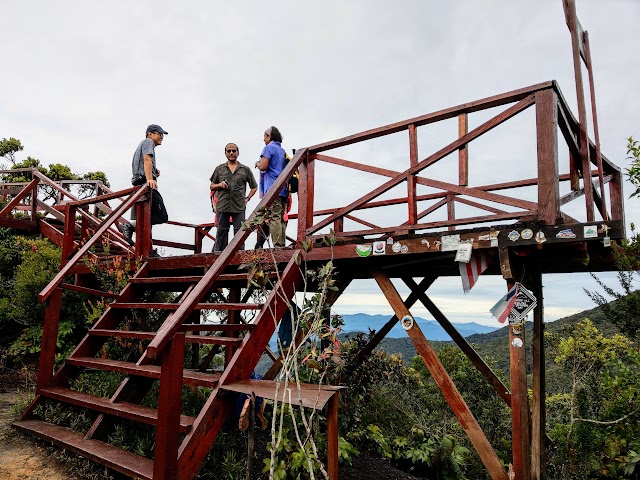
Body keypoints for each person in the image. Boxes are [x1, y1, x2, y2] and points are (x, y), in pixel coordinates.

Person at [119, 124, 169, 256]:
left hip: (139, 184)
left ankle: (148, 252)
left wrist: (153, 171)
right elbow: (147, 159)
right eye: (159, 133)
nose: (161, 137)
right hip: (144, 185)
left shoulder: (143, 144)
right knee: (162, 215)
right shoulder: (148, 142)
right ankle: (130, 226)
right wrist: (149, 179)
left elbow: (143, 162)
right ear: (150, 134)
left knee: (145, 216)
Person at [210, 143, 257, 252]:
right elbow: (211, 186)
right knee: (221, 232)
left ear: (238, 152)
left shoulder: (245, 169)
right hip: (222, 205)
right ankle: (218, 259)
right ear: (225, 153)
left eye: (234, 151)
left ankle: (239, 260)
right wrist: (219, 185)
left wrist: (247, 199)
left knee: (240, 233)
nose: (231, 153)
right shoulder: (219, 169)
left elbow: (254, 187)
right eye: (229, 151)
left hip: (239, 206)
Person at [255, 126, 287, 247]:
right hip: (283, 188)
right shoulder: (282, 150)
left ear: (269, 136)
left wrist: (257, 163)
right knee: (280, 217)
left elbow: (263, 166)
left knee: (274, 217)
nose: (263, 139)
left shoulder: (268, 148)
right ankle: (282, 244)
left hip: (273, 188)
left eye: (265, 136)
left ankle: (278, 246)